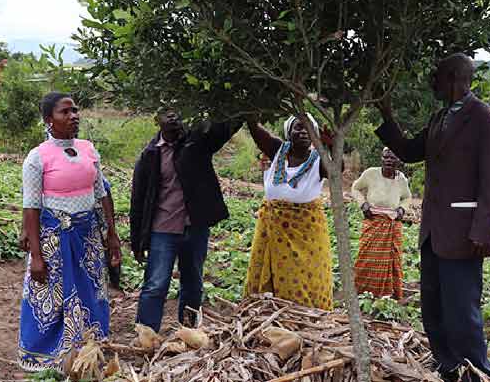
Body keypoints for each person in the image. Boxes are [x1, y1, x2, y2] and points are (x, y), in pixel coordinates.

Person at [376, 53, 490, 382]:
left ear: (453, 78)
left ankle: (475, 373)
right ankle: (448, 367)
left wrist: (483, 231)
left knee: (462, 310)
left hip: (465, 233)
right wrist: (386, 114)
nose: (431, 82)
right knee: (433, 307)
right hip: (434, 232)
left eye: (436, 76)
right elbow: (410, 152)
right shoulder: (440, 118)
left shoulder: (482, 117)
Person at [18, 92, 121, 372]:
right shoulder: (37, 157)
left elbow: (102, 194)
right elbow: (31, 208)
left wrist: (111, 234)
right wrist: (36, 256)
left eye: (75, 110)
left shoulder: (88, 149)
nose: (73, 116)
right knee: (50, 294)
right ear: (49, 120)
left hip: (87, 236)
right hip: (54, 237)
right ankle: (45, 354)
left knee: (91, 291)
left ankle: (90, 346)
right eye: (65, 112)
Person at [131, 108, 242, 332]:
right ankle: (146, 334)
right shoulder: (150, 155)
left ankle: (189, 332)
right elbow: (138, 201)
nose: (173, 117)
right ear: (157, 120)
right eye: (166, 113)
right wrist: (137, 243)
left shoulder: (197, 143)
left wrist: (241, 110)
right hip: (163, 229)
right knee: (155, 285)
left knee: (193, 284)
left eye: (177, 112)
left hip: (195, 227)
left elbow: (223, 129)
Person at [243, 115, 334, 310]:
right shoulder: (277, 150)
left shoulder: (320, 160)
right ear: (288, 132)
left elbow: (336, 170)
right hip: (271, 227)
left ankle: (302, 317)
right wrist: (249, 109)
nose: (303, 132)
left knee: (304, 279)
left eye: (309, 129)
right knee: (266, 278)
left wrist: (331, 148)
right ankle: (266, 314)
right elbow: (256, 129)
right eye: (298, 128)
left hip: (306, 234)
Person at [351, 147, 409, 300]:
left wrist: (402, 209)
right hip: (373, 222)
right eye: (386, 157)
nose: (388, 160)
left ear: (398, 161)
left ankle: (389, 295)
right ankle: (364, 291)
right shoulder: (371, 173)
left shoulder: (401, 179)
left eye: (392, 158)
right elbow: (355, 188)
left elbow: (407, 197)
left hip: (392, 224)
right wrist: (363, 204)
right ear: (381, 159)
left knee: (393, 260)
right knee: (367, 258)